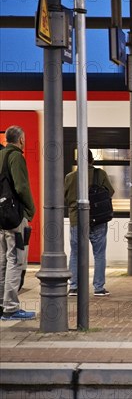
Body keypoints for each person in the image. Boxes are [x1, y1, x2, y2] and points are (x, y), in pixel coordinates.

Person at [65, 150, 114, 297]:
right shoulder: (101, 174)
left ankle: (74, 287)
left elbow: (66, 197)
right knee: (99, 254)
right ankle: (98, 288)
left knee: (75, 253)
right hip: (98, 219)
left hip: (77, 219)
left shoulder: (70, 177)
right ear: (92, 160)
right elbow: (110, 192)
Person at [0, 126, 36, 320]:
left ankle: (1, 305)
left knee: (3, 262)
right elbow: (22, 186)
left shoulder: (0, 155)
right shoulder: (16, 157)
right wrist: (31, 210)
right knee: (15, 260)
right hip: (14, 219)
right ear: (21, 140)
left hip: (1, 218)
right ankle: (11, 308)